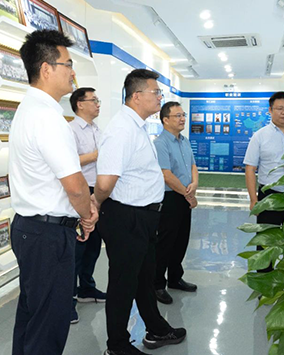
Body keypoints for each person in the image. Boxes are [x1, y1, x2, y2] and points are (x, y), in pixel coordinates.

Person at [8, 29, 98, 355]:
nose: (73, 72)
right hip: (47, 235)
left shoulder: (28, 110)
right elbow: (74, 186)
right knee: (48, 325)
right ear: (46, 69)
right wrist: (88, 216)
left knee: (32, 316)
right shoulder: (48, 118)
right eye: (68, 64)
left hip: (30, 229)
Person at [94, 69, 186, 355]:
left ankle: (156, 328)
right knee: (123, 284)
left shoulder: (138, 127)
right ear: (136, 96)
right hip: (126, 217)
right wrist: (95, 204)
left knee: (144, 278)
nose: (160, 97)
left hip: (143, 217)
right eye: (156, 92)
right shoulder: (121, 129)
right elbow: (105, 182)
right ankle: (117, 346)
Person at [244, 91, 284, 273]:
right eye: (280, 108)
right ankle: (264, 279)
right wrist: (253, 199)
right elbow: (250, 168)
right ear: (270, 110)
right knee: (266, 240)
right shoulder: (260, 136)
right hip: (269, 195)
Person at [152, 101, 199, 305]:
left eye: (183, 115)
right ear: (165, 120)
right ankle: (157, 284)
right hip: (170, 197)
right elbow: (166, 174)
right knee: (165, 242)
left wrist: (194, 184)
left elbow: (193, 166)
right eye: (177, 116)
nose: (182, 119)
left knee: (181, 240)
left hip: (185, 194)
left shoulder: (185, 141)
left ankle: (175, 278)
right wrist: (188, 195)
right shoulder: (160, 143)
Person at [68, 87, 106, 324]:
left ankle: (86, 287)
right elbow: (68, 162)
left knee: (93, 244)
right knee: (77, 247)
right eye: (94, 100)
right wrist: (95, 155)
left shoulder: (98, 130)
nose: (98, 104)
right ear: (80, 104)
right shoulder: (70, 130)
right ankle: (68, 299)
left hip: (98, 191)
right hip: (81, 191)